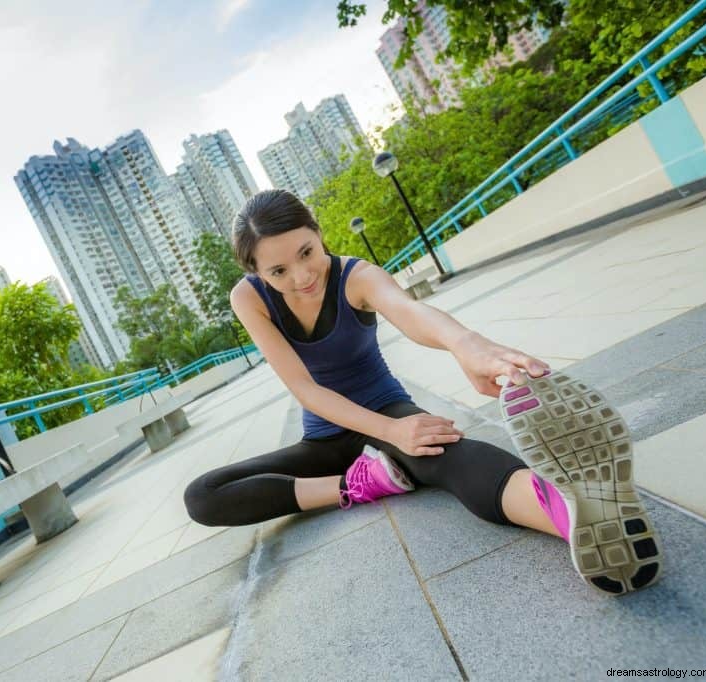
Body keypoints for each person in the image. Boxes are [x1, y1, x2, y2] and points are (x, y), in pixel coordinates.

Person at [183, 189, 662, 595]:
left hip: (387, 409)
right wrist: (388, 434)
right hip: (329, 438)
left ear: (318, 232)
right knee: (203, 496)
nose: (301, 277)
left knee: (450, 458)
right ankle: (362, 484)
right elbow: (305, 389)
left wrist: (467, 346)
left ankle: (574, 516)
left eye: (306, 253)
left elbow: (411, 315)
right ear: (256, 273)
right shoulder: (248, 298)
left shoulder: (358, 277)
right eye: (278, 272)